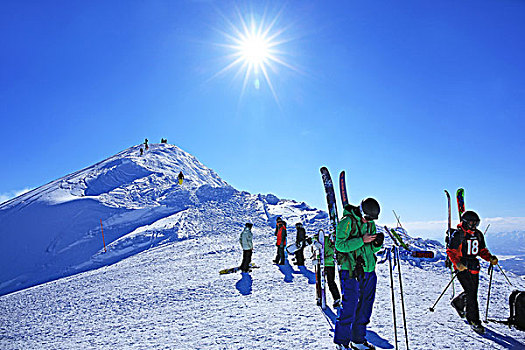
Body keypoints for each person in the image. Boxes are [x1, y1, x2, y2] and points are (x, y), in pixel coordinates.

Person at [334, 198, 383, 350]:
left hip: (368, 270)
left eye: (371, 219)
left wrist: (376, 244)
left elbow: (372, 250)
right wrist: (362, 240)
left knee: (365, 307)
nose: (368, 221)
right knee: (350, 306)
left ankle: (358, 340)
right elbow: (339, 245)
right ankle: (342, 342)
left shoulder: (370, 224)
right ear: (361, 211)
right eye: (367, 217)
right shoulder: (346, 221)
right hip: (351, 270)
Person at [447, 210, 498, 334]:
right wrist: (457, 264)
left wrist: (489, 258)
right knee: (471, 293)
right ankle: (474, 321)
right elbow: (451, 251)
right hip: (462, 266)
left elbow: (481, 250)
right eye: (471, 223)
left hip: (474, 266)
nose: (474, 226)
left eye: (476, 223)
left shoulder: (478, 234)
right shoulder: (458, 235)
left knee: (472, 291)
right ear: (465, 223)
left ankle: (458, 302)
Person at [325, 230, 342, 309]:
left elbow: (332, 258)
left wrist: (321, 258)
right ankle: (320, 297)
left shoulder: (337, 246)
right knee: (319, 281)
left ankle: (337, 298)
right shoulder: (325, 239)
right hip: (320, 264)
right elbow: (316, 238)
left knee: (330, 282)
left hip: (329, 265)